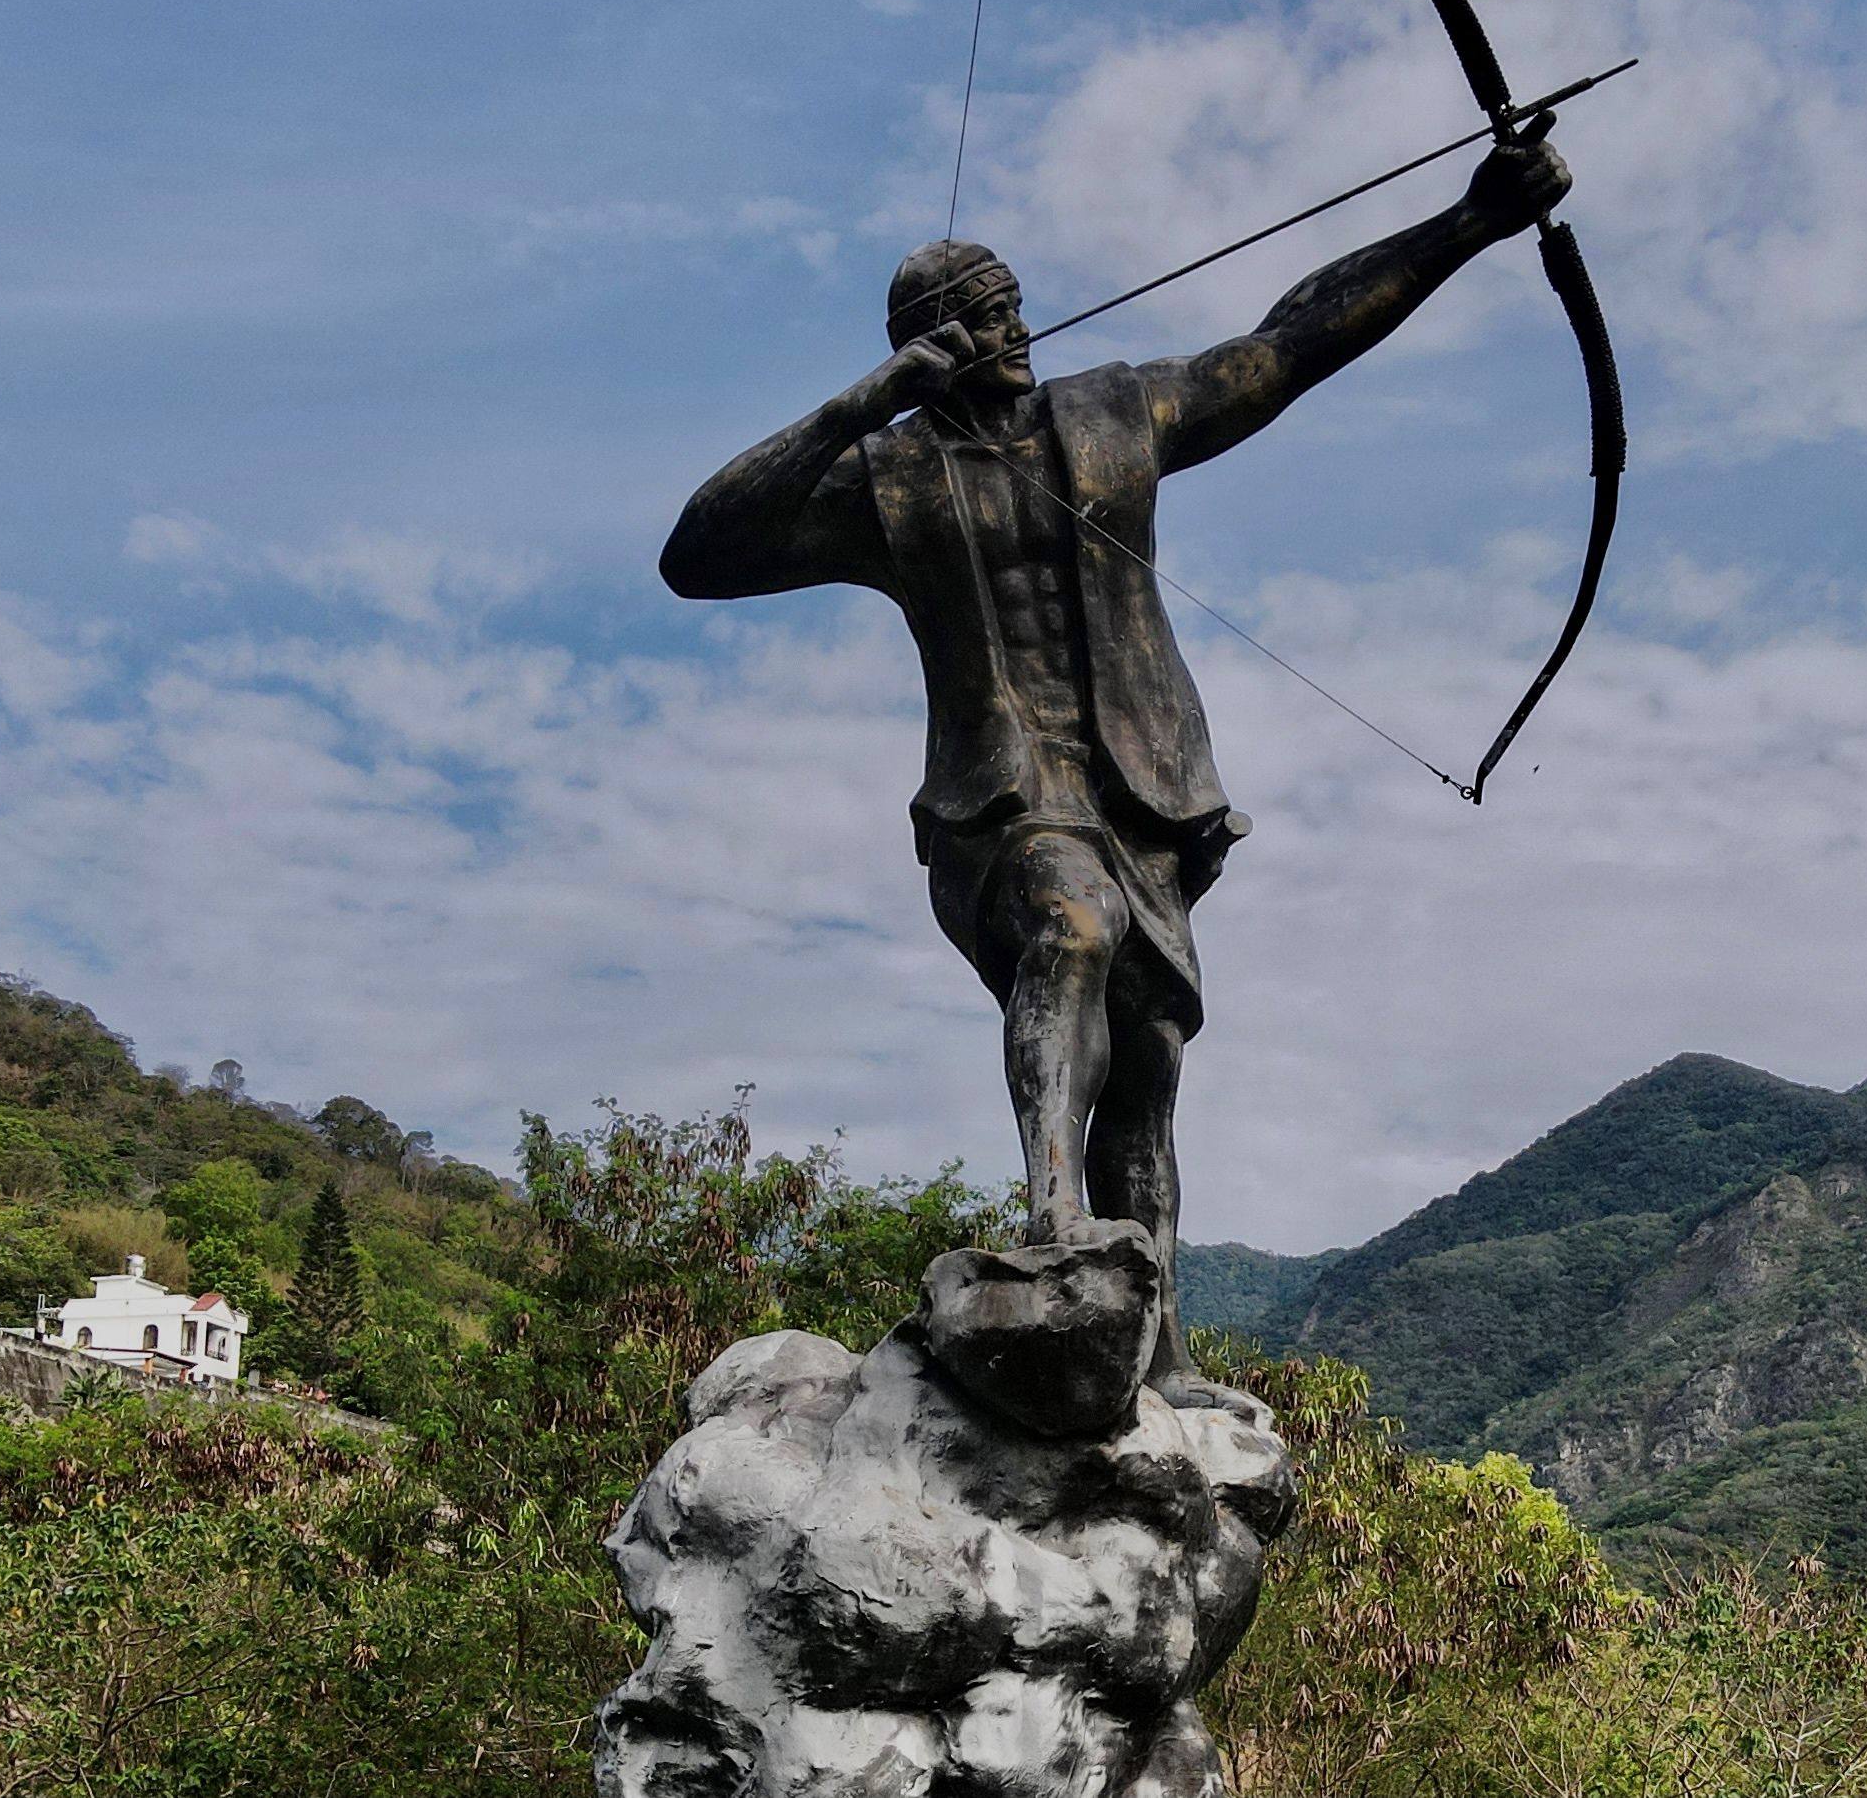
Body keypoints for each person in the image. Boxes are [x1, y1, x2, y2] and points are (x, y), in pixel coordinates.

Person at [663, 137, 1572, 1383]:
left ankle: (1160, 1348)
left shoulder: (1109, 412)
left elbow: (1285, 345)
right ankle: (1053, 1223)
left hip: (1137, 792)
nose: (1015, 333)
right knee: (1069, 925)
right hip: (999, 801)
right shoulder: (885, 479)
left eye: (1016, 309)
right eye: (985, 321)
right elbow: (697, 553)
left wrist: (1466, 223)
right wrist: (855, 405)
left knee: (1145, 1061)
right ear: (929, 343)